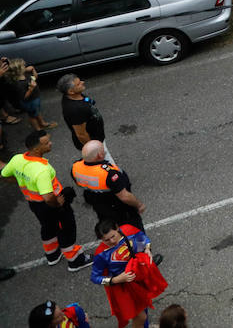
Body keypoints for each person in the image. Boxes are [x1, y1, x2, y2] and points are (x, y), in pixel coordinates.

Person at [2, 130, 90, 269]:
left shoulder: (17, 159)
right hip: (51, 206)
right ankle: (75, 261)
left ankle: (52, 255)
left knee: (48, 227)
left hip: (34, 205)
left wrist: (19, 180)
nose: (51, 143)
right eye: (46, 142)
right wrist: (57, 204)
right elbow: (48, 197)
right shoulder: (41, 170)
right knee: (65, 230)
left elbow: (4, 174)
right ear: (37, 148)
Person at [90, 219, 168, 328]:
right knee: (141, 316)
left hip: (139, 277)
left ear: (117, 228)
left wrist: (147, 249)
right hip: (124, 287)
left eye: (113, 236)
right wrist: (116, 280)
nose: (112, 241)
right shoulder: (100, 254)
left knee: (144, 304)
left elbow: (143, 239)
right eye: (106, 240)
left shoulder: (129, 230)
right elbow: (95, 277)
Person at [71, 140, 145, 229]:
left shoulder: (75, 167)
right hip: (118, 207)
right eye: (103, 150)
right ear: (99, 155)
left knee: (109, 228)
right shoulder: (109, 174)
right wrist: (139, 205)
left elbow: (79, 183)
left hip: (99, 206)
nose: (105, 152)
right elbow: (124, 196)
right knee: (132, 227)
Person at [1, 56, 55, 132]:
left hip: (35, 99)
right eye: (23, 66)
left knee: (36, 112)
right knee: (32, 116)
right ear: (19, 71)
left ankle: (42, 123)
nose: (25, 67)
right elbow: (24, 97)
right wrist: (31, 89)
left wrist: (33, 70)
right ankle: (38, 129)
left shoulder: (25, 75)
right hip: (29, 102)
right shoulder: (18, 84)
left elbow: (35, 77)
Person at [58, 74, 106, 154]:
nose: (82, 82)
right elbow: (81, 134)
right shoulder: (76, 110)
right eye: (78, 84)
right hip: (94, 144)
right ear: (71, 91)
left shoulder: (75, 95)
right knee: (105, 162)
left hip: (97, 138)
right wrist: (94, 150)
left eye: (80, 81)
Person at [27, 300, 92, 328]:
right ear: (49, 325)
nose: (64, 315)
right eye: (58, 316)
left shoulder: (66, 315)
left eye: (61, 310)